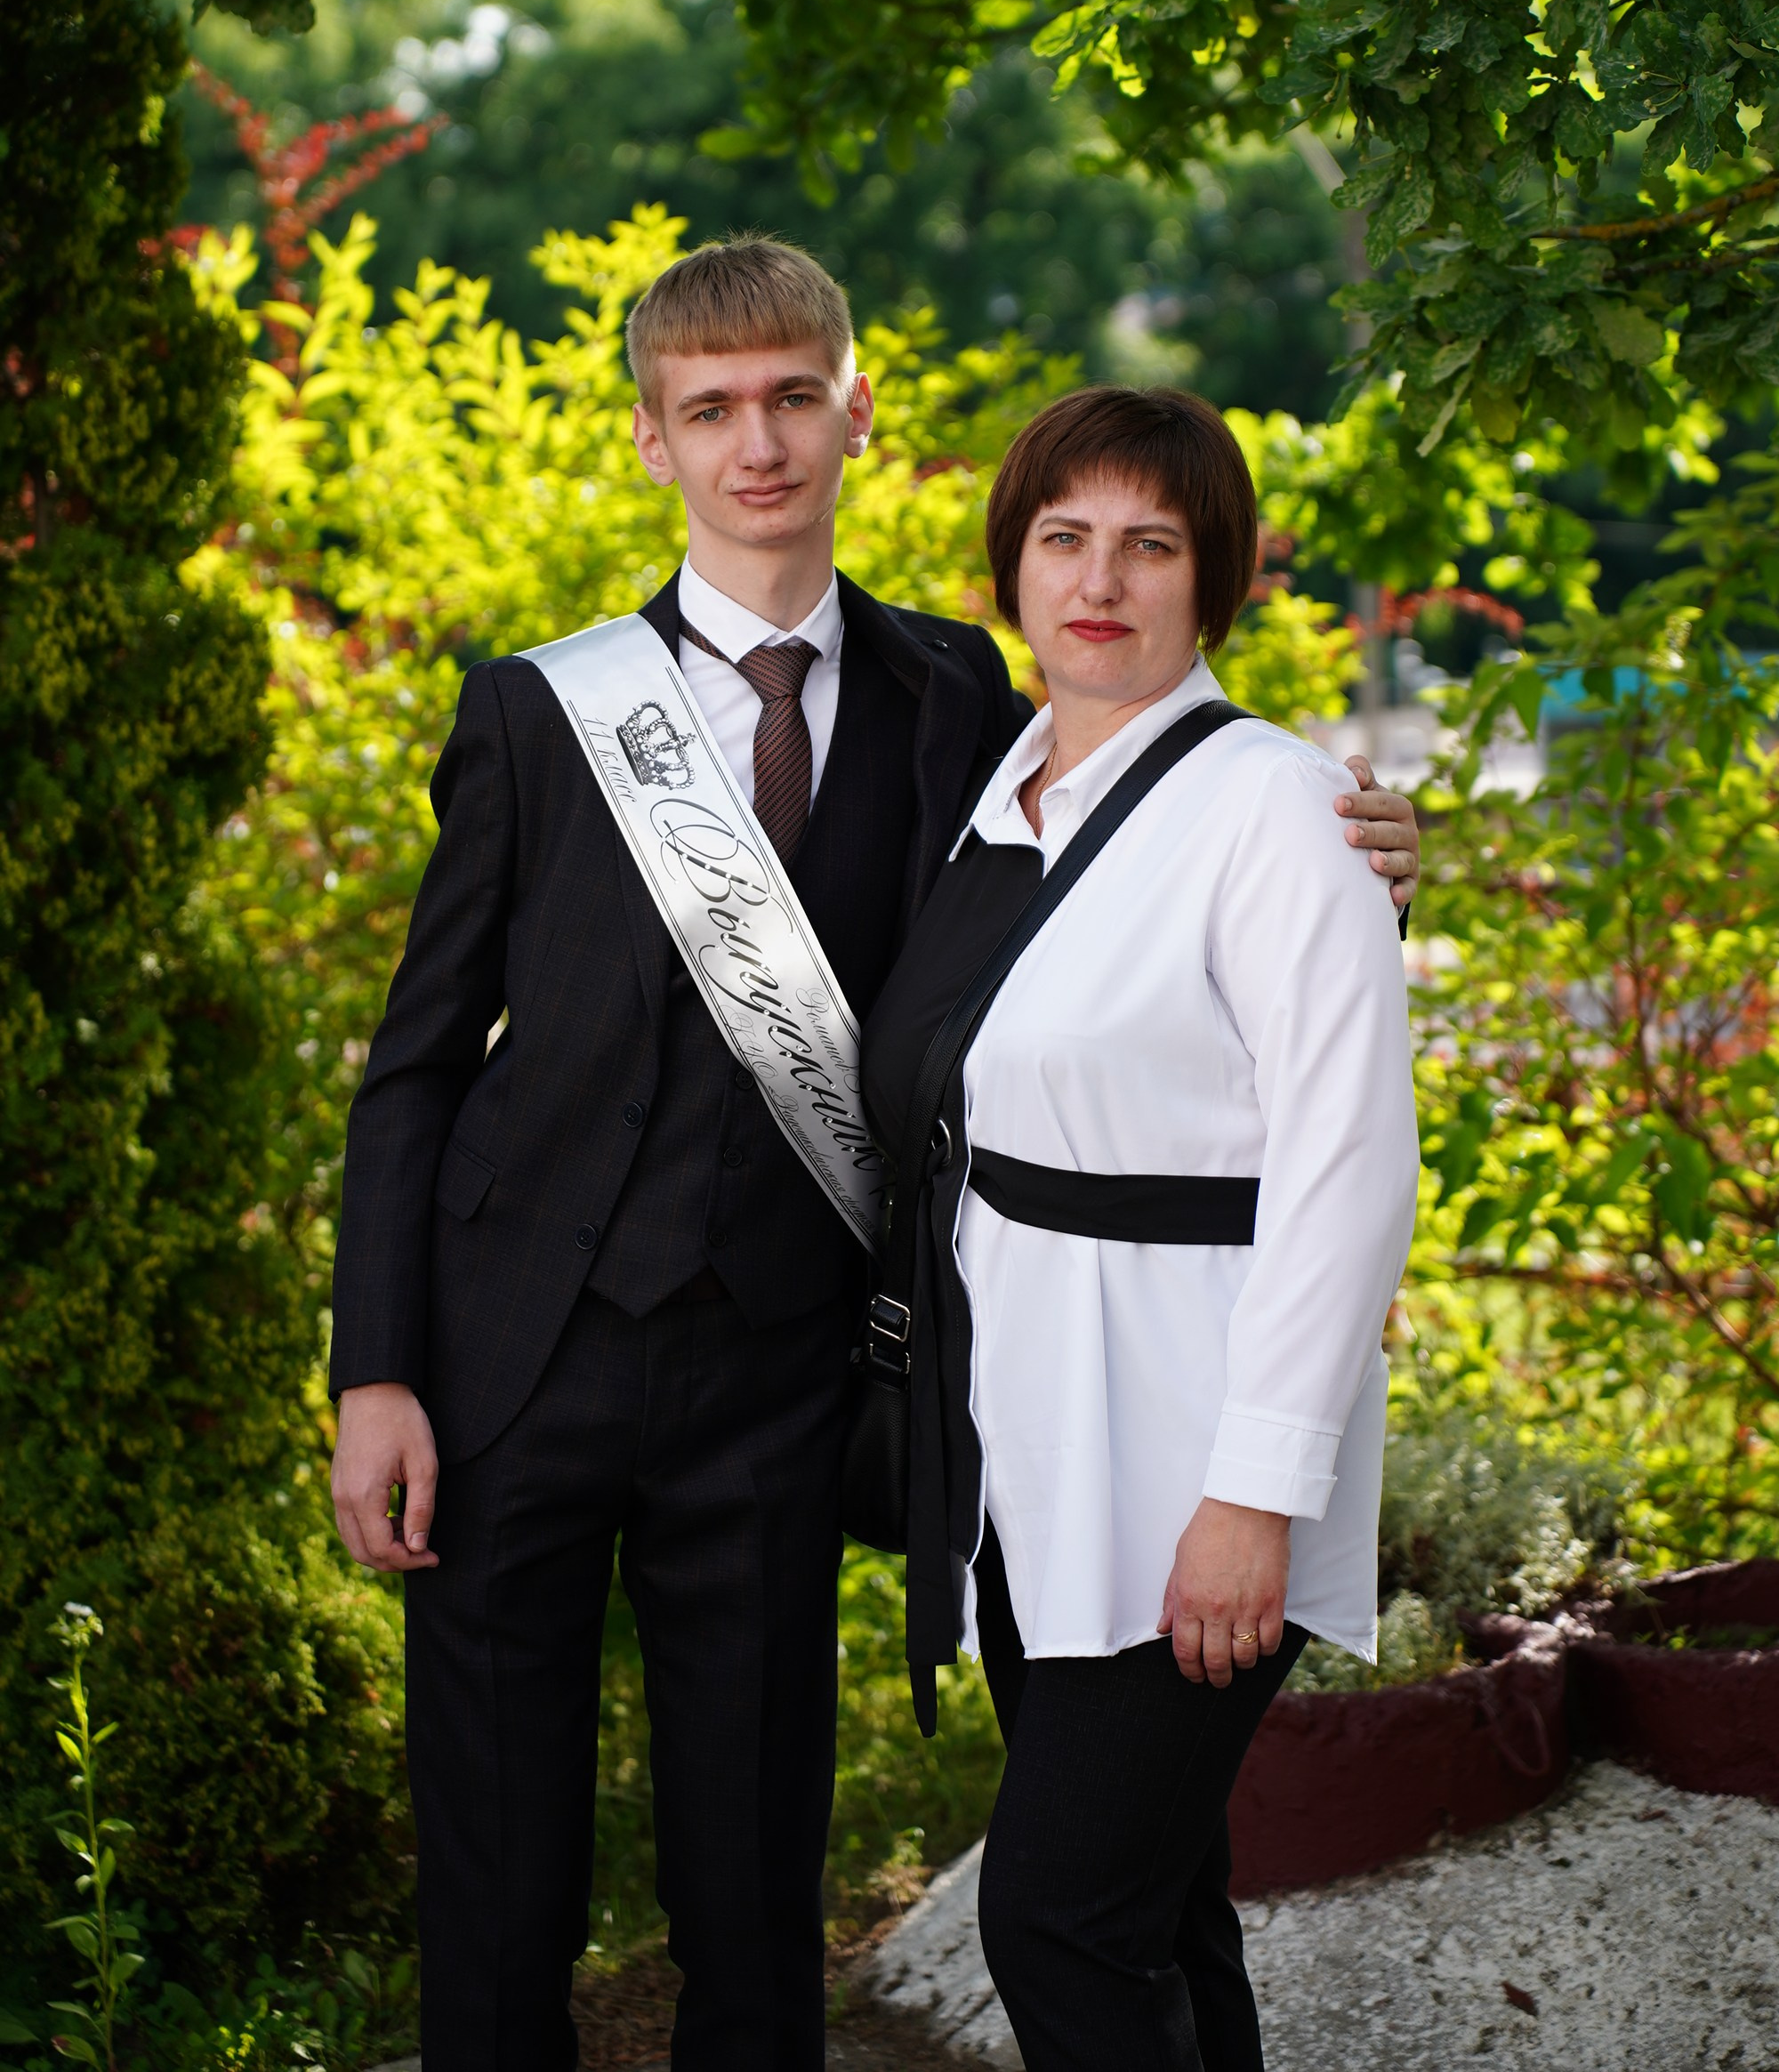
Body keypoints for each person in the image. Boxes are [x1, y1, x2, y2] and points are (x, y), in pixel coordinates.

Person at [326, 243, 1423, 2072]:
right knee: (496, 1876)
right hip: (510, 1357)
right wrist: (376, 1367)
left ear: (855, 414)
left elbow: (1150, 836)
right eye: (708, 411)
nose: (754, 444)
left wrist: (1364, 841)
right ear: (654, 440)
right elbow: (417, 1064)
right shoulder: (540, 710)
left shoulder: (962, 700)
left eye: (788, 400)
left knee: (757, 1884)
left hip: (779, 1378)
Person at [862, 384, 1422, 2072]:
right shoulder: (999, 795)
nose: (1099, 581)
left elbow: (1350, 1165)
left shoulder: (1275, 807)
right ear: (1013, 566)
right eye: (1064, 538)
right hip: (1032, 1456)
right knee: (1161, 1913)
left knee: (1059, 1921)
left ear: (1214, 579)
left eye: (1150, 545)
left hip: (1192, 1458)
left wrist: (1254, 1497)